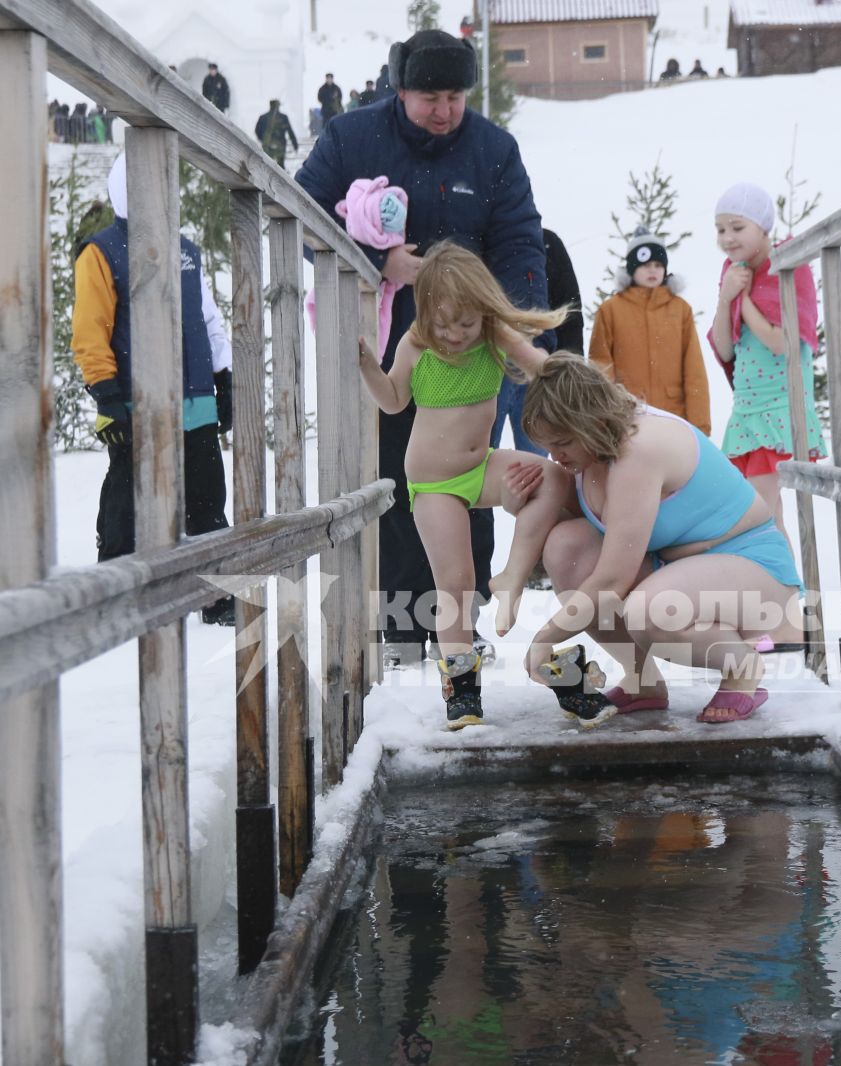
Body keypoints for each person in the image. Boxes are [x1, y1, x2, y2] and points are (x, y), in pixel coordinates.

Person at [296, 27, 552, 667]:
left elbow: (521, 237)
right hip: (396, 343)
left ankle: (458, 630)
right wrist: (380, 261)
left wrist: (515, 322)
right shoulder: (351, 138)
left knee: (470, 482)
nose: (444, 110)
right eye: (429, 97)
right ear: (400, 89)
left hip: (471, 356)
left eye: (455, 97)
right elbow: (301, 216)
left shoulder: (494, 150)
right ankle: (400, 630)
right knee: (393, 482)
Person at [517, 355, 806, 724]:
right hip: (678, 569)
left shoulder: (640, 449)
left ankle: (742, 667)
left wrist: (544, 638)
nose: (554, 457)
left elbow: (611, 580)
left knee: (651, 610)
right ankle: (642, 681)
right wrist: (519, 502)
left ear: (593, 423)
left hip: (753, 569)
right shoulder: (588, 451)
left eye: (562, 443)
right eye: (547, 445)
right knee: (566, 548)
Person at [354, 245, 569, 728]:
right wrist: (368, 364)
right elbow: (392, 401)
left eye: (465, 324)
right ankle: (461, 690)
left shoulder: (493, 336)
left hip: (483, 466)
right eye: (443, 323)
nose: (453, 334)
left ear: (484, 312)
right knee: (455, 584)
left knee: (554, 478)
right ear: (426, 313)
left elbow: (539, 367)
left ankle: (513, 572)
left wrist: (583, 383)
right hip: (434, 484)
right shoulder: (415, 345)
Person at [72, 154, 236, 625]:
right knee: (128, 495)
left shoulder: (186, 250)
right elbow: (90, 330)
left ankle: (214, 592)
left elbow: (206, 318)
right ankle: (117, 588)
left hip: (196, 396)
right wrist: (105, 394)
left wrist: (222, 378)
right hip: (134, 400)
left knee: (207, 498)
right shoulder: (101, 253)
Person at [706, 182, 826, 531]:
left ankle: (775, 585)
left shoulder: (787, 267)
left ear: (763, 227)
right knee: (769, 519)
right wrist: (726, 297)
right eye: (721, 229)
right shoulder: (733, 272)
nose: (728, 237)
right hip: (747, 412)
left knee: (754, 516)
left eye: (738, 227)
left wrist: (742, 301)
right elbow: (725, 348)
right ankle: (785, 587)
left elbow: (781, 343)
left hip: (778, 409)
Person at [591, 229, 712, 433]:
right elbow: (600, 366)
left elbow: (694, 370)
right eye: (645, 265)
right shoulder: (611, 310)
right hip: (628, 417)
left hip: (673, 417)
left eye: (658, 265)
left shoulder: (680, 309)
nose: (652, 270)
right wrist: (605, 420)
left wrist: (700, 425)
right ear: (631, 269)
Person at [491, 227, 582, 456]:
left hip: (541, 368)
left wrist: (570, 370)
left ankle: (536, 493)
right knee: (482, 454)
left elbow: (570, 310)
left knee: (538, 461)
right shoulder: (489, 239)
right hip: (492, 364)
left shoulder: (548, 242)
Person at [255, 97, 298, 166]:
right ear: (278, 106)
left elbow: (257, 130)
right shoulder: (283, 117)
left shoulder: (263, 117)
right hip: (280, 146)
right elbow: (290, 132)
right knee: (280, 167)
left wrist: (262, 139)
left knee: (267, 165)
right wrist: (295, 144)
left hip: (267, 145)